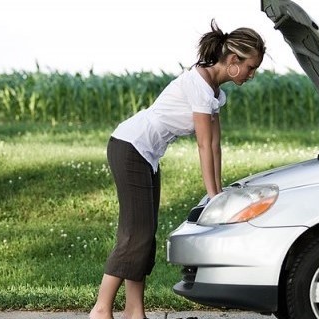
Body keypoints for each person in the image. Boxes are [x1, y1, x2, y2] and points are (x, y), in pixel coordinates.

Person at [89, 19, 266, 319]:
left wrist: (218, 192)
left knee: (144, 234)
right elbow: (202, 145)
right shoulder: (198, 85)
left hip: (146, 155)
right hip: (130, 146)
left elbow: (214, 147)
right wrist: (212, 195)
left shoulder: (214, 92)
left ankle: (135, 312)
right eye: (251, 67)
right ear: (234, 60)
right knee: (136, 234)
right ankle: (101, 309)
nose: (252, 74)